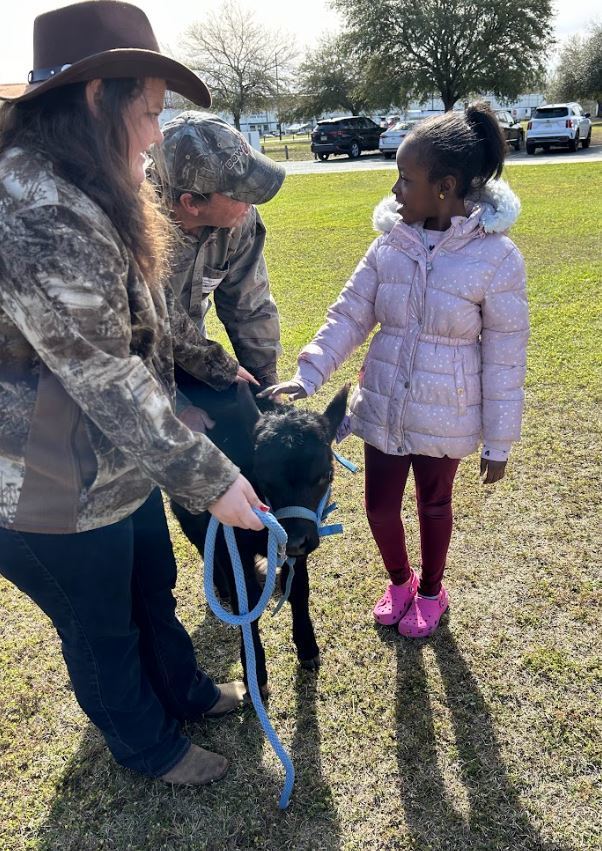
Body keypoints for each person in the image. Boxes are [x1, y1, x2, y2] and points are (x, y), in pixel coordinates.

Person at [0, 0, 268, 787]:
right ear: (95, 97)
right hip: (48, 487)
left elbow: (138, 330)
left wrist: (218, 366)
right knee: (100, 627)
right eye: (148, 112)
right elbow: (103, 373)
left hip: (111, 470)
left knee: (153, 581)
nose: (156, 134)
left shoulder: (86, 183)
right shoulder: (37, 207)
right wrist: (214, 479)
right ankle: (146, 744)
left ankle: (181, 688)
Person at [261, 103, 529, 639]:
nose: (396, 189)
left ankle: (431, 591)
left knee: (434, 505)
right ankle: (400, 582)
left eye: (406, 179)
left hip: (445, 413)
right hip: (382, 402)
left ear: (446, 186)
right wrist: (308, 373)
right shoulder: (387, 245)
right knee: (380, 508)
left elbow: (506, 354)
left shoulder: (498, 259)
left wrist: (499, 443)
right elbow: (348, 314)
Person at [150, 111, 286, 393]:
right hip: (135, 367)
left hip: (194, 352)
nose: (250, 203)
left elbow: (250, 305)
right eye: (239, 195)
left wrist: (266, 386)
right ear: (191, 203)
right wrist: (178, 409)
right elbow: (146, 323)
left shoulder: (239, 222)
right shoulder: (134, 228)